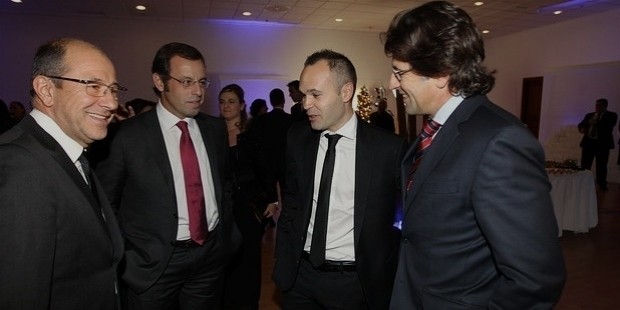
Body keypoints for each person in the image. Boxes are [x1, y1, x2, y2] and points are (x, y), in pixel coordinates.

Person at [383, 2, 566, 309]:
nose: (392, 84)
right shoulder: (434, 133)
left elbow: (535, 278)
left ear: (440, 72)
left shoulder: (500, 141)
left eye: (399, 72)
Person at [95, 42, 239, 309]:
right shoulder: (126, 136)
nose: (198, 91)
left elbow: (224, 184)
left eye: (201, 81)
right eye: (186, 81)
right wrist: (128, 256)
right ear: (160, 82)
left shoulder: (215, 129)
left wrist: (226, 240)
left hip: (209, 257)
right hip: (152, 265)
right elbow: (107, 204)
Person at [272, 49, 407, 309]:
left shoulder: (388, 149)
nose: (305, 104)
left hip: (355, 284)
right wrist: (283, 255)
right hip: (299, 277)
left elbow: (404, 218)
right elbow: (292, 198)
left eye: (315, 94)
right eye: (303, 94)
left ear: (346, 92)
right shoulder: (298, 137)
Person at [0, 38, 125, 309]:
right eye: (93, 86)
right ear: (46, 89)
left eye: (113, 89)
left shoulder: (69, 152)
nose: (111, 103)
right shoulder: (21, 166)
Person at [218, 84, 278, 310]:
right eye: (222, 101)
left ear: (242, 105)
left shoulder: (252, 134)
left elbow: (265, 168)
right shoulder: (213, 134)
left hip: (249, 206)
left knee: (249, 257)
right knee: (226, 259)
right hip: (223, 207)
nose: (226, 105)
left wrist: (273, 200)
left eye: (231, 101)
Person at [250, 87, 294, 191]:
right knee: (286, 192)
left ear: (271, 101)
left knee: (270, 193)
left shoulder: (262, 120)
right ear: (283, 100)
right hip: (285, 162)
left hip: (268, 162)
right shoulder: (291, 120)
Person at [578, 98, 618, 190]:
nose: (597, 107)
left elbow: (609, 126)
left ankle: (601, 183)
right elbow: (581, 124)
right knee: (585, 164)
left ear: (605, 106)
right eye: (596, 105)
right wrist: (582, 128)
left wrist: (596, 121)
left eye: (599, 105)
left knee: (601, 165)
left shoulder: (611, 115)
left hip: (602, 145)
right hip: (588, 143)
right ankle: (583, 181)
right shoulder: (590, 115)